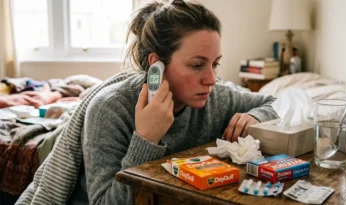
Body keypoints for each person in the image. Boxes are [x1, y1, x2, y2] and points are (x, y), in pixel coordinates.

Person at [18, 0, 278, 204]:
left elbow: (276, 102)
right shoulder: (110, 109)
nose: (211, 79)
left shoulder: (216, 96)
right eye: (197, 65)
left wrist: (258, 116)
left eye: (215, 64)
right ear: (157, 65)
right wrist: (146, 140)